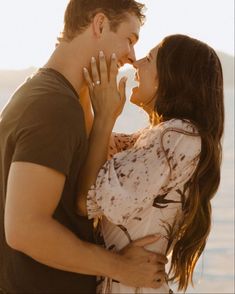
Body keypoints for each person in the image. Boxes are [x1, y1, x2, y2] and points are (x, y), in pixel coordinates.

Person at [0, 1, 168, 293]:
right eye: (129, 39)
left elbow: (83, 199)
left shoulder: (50, 94)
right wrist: (122, 267)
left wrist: (101, 116)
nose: (132, 57)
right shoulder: (54, 105)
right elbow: (25, 229)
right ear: (100, 24)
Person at [76, 34, 224, 293]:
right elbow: (93, 145)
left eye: (149, 58)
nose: (137, 63)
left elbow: (86, 201)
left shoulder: (176, 138)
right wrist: (90, 89)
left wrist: (106, 116)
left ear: (170, 77)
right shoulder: (156, 140)